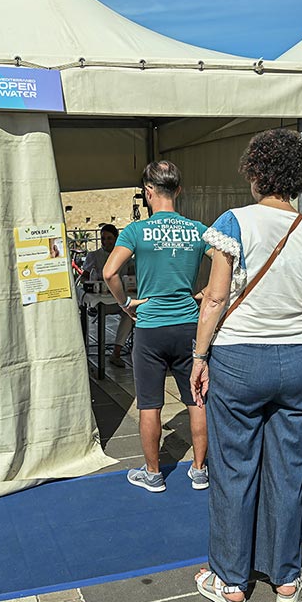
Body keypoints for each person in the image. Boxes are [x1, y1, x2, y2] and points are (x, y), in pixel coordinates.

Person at [190, 129, 302, 602]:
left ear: (256, 172)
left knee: (234, 468)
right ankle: (285, 576)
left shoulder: (234, 223)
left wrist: (199, 356)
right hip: (299, 357)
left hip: (239, 357)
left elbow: (215, 298)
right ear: (297, 178)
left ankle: (231, 579)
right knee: (289, 469)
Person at [102, 160, 210, 494]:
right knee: (196, 399)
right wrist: (204, 294)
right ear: (178, 190)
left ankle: (153, 474)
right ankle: (200, 470)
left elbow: (109, 272)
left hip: (151, 327)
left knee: (149, 403)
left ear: (149, 192)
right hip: (189, 325)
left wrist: (126, 303)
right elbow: (232, 265)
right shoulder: (198, 230)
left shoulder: (136, 231)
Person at [82, 224, 134, 366]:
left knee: (129, 314)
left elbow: (132, 275)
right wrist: (93, 284)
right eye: (103, 238)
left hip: (120, 299)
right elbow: (84, 277)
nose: (106, 242)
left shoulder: (125, 256)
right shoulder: (94, 256)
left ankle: (117, 351)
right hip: (101, 301)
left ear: (116, 239)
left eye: (109, 238)